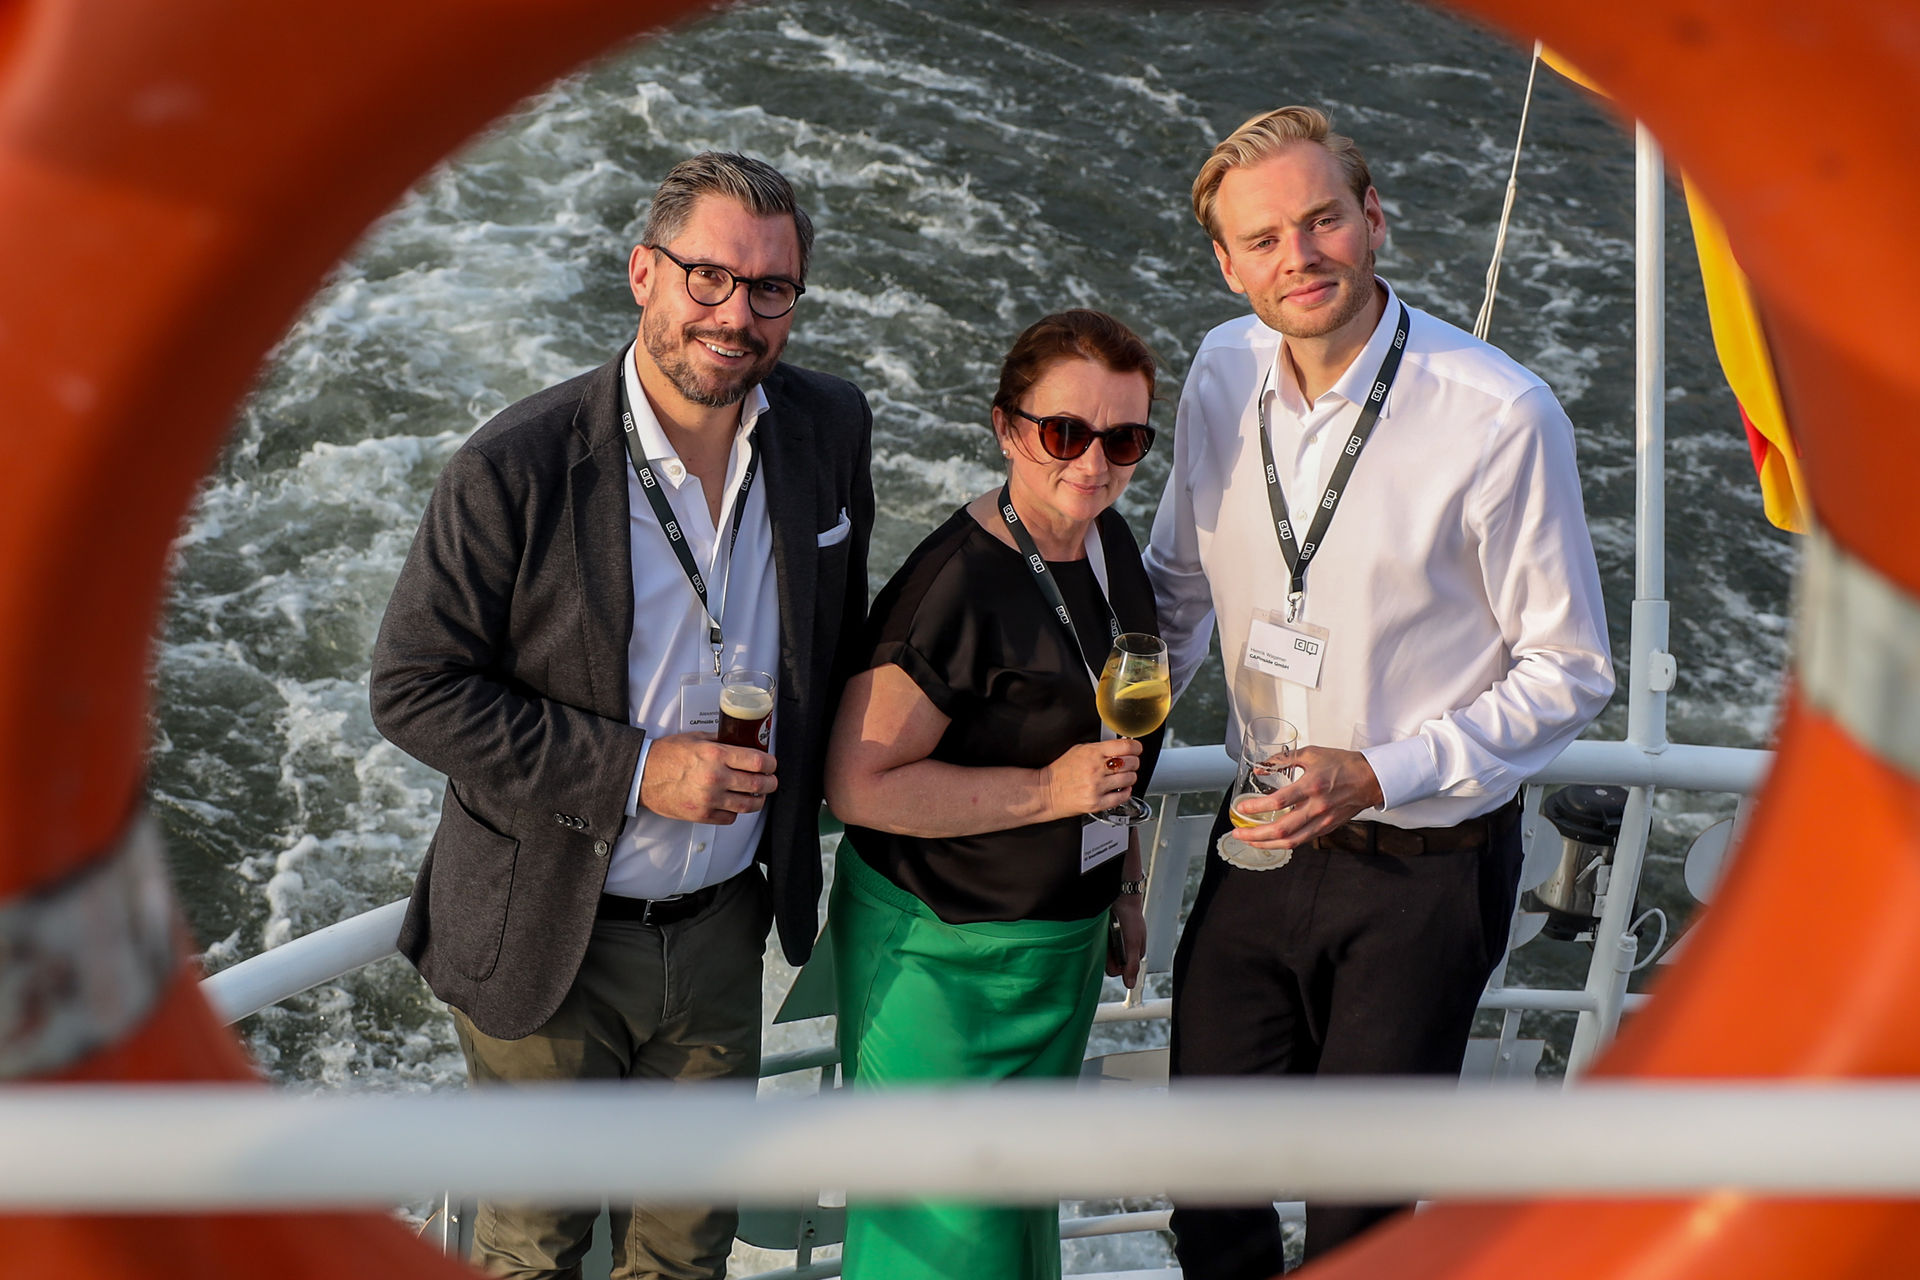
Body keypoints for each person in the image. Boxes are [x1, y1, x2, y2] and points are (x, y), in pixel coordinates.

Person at [369, 151, 873, 1280]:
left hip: (718, 932)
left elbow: (841, 636)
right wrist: (640, 769)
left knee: (688, 1247)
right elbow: (411, 685)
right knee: (533, 1247)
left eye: (770, 289)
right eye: (708, 277)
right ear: (642, 273)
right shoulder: (514, 467)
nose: (736, 315)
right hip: (552, 929)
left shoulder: (830, 428)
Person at [1144, 107, 1615, 1274]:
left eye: (1321, 221)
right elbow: (1174, 587)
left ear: (1372, 221)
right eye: (1262, 239)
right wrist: (1098, 758)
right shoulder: (1220, 366)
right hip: (1255, 847)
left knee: (1358, 1219)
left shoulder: (1500, 412)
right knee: (1209, 1187)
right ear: (1226, 261)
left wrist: (1378, 772)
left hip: (1425, 870)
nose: (1297, 258)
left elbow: (1571, 667)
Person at [823, 309, 1165, 1280]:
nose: (1093, 463)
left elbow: (1117, 745)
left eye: (1125, 439)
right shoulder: (956, 587)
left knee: (1012, 1227)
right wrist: (1045, 790)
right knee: (937, 1242)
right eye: (1065, 433)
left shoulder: (1109, 545)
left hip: (1053, 951)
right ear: (1008, 427)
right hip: (944, 961)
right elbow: (859, 783)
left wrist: (1126, 887)